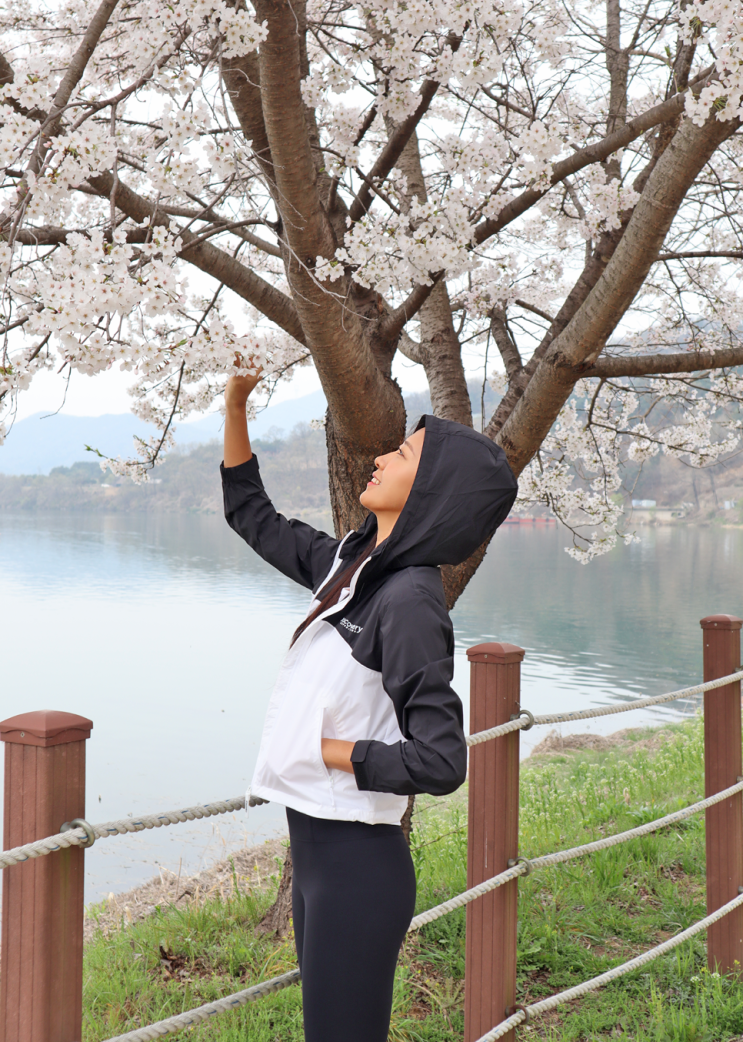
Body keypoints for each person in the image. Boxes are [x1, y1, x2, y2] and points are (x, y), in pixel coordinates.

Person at [221, 368, 518, 1042]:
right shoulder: (350, 567)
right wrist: (236, 405)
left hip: (356, 866)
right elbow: (252, 517)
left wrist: (327, 750)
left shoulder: (410, 599)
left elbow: (441, 759)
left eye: (403, 454)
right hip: (317, 855)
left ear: (434, 491)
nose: (380, 457)